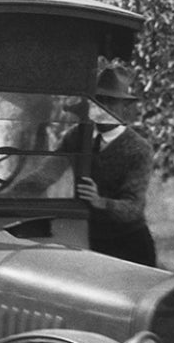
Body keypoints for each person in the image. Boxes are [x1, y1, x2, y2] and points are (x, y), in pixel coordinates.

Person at [13, 63, 158, 267]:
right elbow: (46, 173)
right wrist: (8, 194)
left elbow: (133, 207)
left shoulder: (139, 149)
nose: (103, 108)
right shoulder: (77, 137)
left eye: (111, 102)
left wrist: (100, 201)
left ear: (123, 108)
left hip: (129, 246)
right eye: (98, 101)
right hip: (87, 239)